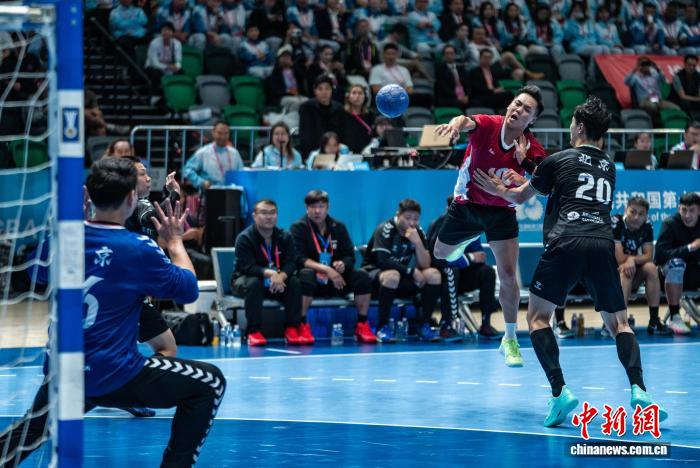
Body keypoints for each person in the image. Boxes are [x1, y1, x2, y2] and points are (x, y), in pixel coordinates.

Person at [0, 158, 226, 466]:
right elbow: (188, 290)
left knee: (27, 435)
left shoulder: (63, 240)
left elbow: (33, 276)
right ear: (132, 198)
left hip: (64, 373)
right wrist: (174, 242)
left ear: (88, 196)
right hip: (114, 374)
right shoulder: (138, 247)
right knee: (211, 382)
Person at [472, 96, 667, 427]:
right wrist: (528, 164)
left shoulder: (559, 159)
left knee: (537, 318)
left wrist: (498, 189)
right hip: (602, 244)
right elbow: (564, 183)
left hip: (565, 242)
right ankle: (640, 391)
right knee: (620, 324)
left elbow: (522, 195)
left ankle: (559, 391)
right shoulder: (608, 166)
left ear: (579, 127)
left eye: (573, 123)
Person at [433, 86, 547, 367]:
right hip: (467, 204)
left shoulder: (530, 147)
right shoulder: (489, 125)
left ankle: (510, 339)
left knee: (508, 275)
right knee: (440, 253)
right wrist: (454, 125)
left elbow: (546, 182)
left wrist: (525, 165)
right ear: (509, 105)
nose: (518, 110)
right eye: (517, 103)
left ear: (532, 120)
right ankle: (466, 239)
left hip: (501, 211)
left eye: (527, 109)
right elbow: (465, 120)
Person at [290, 190, 376, 344]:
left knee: (362, 276)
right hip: (313, 281)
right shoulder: (298, 227)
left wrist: (343, 264)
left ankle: (362, 324)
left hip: (337, 281)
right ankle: (301, 325)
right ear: (306, 208)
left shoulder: (338, 226)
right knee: (305, 275)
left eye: (321, 206)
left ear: (327, 207)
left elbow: (349, 256)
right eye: (313, 207)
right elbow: (298, 258)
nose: (317, 211)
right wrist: (326, 269)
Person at [362, 199, 443, 343]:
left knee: (434, 275)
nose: (412, 223)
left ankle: (424, 325)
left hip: (401, 276)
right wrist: (411, 271)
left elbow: (425, 264)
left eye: (415, 219)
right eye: (407, 218)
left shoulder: (417, 232)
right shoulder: (385, 229)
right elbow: (382, 261)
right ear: (398, 215)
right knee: (392, 276)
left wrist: (417, 243)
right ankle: (382, 327)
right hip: (374, 276)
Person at [231, 199, 306, 346]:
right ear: (254, 216)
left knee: (294, 282)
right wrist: (271, 274)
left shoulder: (285, 236)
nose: (269, 217)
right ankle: (253, 331)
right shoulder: (244, 238)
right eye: (264, 213)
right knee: (254, 283)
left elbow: (291, 263)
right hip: (246, 279)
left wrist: (281, 276)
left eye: (272, 213)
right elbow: (248, 268)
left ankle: (292, 328)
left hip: (276, 281)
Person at [428, 195, 500, 340]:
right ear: (449, 209)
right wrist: (469, 258)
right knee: (451, 271)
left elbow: (480, 256)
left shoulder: (472, 225)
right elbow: (440, 259)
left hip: (463, 276)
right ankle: (447, 324)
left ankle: (486, 323)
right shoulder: (440, 225)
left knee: (487, 271)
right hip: (441, 277)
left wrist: (467, 259)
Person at [612, 196, 669, 335]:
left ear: (646, 215)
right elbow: (619, 259)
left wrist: (631, 259)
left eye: (641, 214)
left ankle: (654, 321)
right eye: (633, 212)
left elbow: (648, 256)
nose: (636, 217)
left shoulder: (647, 226)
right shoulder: (616, 223)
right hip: (611, 276)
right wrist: (630, 261)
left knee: (651, 268)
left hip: (632, 273)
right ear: (625, 210)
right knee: (625, 271)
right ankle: (621, 322)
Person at [654, 192, 700, 335]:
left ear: (699, 210)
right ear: (679, 208)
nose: (687, 215)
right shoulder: (670, 224)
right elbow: (660, 256)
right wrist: (690, 248)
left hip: (694, 273)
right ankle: (675, 316)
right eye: (684, 210)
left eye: (691, 211)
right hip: (668, 274)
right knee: (677, 264)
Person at [183, 121, 245, 191]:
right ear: (213, 132)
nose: (222, 136)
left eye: (225, 133)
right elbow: (187, 170)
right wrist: (201, 182)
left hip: (231, 192)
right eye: (219, 133)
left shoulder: (234, 153)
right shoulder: (203, 152)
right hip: (210, 192)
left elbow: (242, 174)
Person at [298, 74, 344, 158]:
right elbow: (305, 137)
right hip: (314, 154)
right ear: (315, 91)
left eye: (327, 88)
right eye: (320, 89)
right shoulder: (306, 108)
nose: (324, 92)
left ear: (332, 90)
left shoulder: (339, 108)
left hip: (335, 153)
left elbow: (341, 134)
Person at [624, 56, 680, 125]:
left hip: (658, 100)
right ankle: (657, 124)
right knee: (652, 106)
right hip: (645, 100)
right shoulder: (636, 77)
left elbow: (663, 80)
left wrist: (658, 69)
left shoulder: (655, 74)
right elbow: (627, 82)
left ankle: (671, 124)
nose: (645, 66)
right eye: (643, 64)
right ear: (639, 66)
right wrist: (634, 70)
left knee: (676, 108)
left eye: (647, 64)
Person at [145, 22, 183, 90]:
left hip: (168, 68)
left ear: (173, 32)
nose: (166, 32)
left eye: (169, 30)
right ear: (161, 32)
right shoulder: (154, 43)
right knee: (157, 73)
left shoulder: (177, 44)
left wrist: (177, 66)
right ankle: (155, 93)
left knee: (181, 72)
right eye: (164, 30)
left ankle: (177, 90)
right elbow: (154, 63)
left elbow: (179, 61)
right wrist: (167, 66)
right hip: (153, 67)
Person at [340, 84, 374, 154]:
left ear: (365, 97)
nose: (357, 96)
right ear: (348, 97)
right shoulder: (341, 114)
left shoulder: (369, 115)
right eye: (354, 93)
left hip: (365, 153)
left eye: (360, 93)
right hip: (347, 154)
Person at [434, 44, 470, 109]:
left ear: (455, 54)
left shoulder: (461, 69)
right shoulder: (440, 70)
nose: (449, 55)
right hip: (449, 97)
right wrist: (458, 96)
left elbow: (467, 84)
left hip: (462, 95)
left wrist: (466, 95)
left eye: (451, 53)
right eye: (447, 53)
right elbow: (443, 87)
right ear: (444, 55)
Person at [669, 55, 700, 120]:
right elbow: (682, 96)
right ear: (685, 64)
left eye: (694, 66)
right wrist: (697, 99)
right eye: (689, 65)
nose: (691, 68)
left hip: (692, 99)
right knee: (685, 103)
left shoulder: (698, 76)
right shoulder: (677, 77)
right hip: (677, 100)